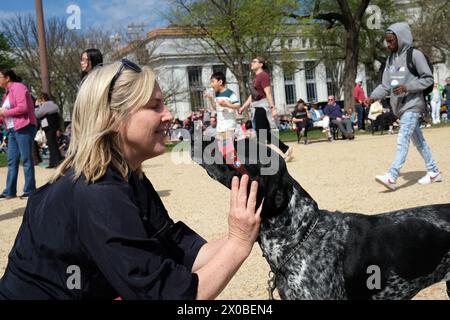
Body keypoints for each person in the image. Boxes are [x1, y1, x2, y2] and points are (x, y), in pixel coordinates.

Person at [0, 59, 262, 300]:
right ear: (113, 117)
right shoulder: (97, 191)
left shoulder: (127, 174)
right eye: (154, 105)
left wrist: (246, 230)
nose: (169, 115)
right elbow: (169, 297)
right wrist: (238, 243)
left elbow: (178, 248)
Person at [365, 22, 441, 190]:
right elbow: (385, 86)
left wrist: (408, 87)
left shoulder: (415, 55)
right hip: (399, 107)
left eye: (391, 41)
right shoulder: (390, 60)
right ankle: (434, 171)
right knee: (419, 141)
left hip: (413, 105)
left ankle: (392, 176)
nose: (388, 44)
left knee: (402, 139)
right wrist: (371, 97)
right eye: (387, 41)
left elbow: (428, 78)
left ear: (401, 38)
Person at [239, 57, 293, 161]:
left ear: (261, 64)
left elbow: (268, 92)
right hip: (256, 107)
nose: (252, 63)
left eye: (254, 62)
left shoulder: (263, 76)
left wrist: (273, 108)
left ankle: (267, 156)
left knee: (261, 133)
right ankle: (284, 149)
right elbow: (252, 96)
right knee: (263, 133)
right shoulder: (256, 78)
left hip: (261, 107)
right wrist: (243, 107)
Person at [0, 69, 37, 200]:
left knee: (26, 159)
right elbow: (5, 114)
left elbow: (23, 107)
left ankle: (30, 190)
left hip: (24, 126)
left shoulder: (19, 87)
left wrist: (5, 113)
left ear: (7, 78)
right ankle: (9, 191)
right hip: (11, 130)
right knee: (12, 160)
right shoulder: (6, 94)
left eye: (0, 77)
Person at [204, 72, 240, 165]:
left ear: (220, 82)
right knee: (222, 150)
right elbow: (215, 108)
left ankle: (238, 167)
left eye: (213, 81)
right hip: (220, 127)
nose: (211, 84)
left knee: (227, 151)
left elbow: (237, 105)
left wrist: (227, 104)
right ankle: (235, 165)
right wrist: (211, 99)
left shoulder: (230, 93)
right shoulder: (217, 95)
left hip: (229, 125)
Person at [35, 93, 64, 168]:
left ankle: (57, 161)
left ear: (43, 99)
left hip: (48, 127)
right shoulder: (54, 105)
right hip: (54, 126)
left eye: (40, 100)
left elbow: (37, 114)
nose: (40, 102)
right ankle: (53, 162)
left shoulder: (45, 105)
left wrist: (37, 106)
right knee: (53, 143)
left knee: (52, 145)